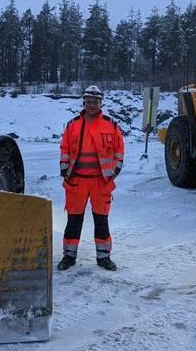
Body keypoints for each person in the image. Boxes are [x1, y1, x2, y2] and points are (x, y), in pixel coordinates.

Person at [57, 85, 125, 272]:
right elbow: (65, 149)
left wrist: (114, 172)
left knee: (101, 220)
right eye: (88, 102)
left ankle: (104, 257)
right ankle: (69, 256)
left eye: (95, 102)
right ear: (84, 103)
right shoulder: (73, 125)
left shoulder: (111, 125)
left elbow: (119, 150)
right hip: (76, 182)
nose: (91, 105)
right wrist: (64, 170)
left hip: (100, 182)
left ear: (100, 103)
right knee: (74, 220)